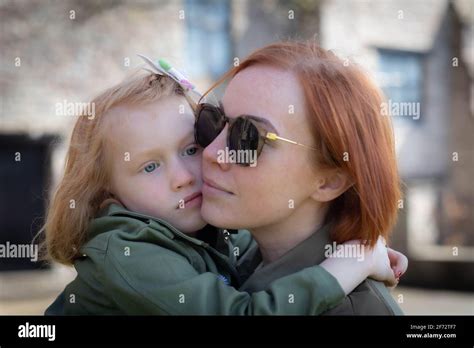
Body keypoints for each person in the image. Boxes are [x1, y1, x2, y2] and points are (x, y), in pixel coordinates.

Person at [43, 67, 404, 315]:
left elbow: (261, 254)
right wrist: (348, 265)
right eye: (149, 166)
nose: (184, 176)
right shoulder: (126, 250)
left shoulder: (207, 228)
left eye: (191, 147)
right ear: (108, 194)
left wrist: (369, 248)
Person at [195, 40, 407, 314]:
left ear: (330, 181)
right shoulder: (221, 261)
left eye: (247, 137)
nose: (211, 153)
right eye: (213, 120)